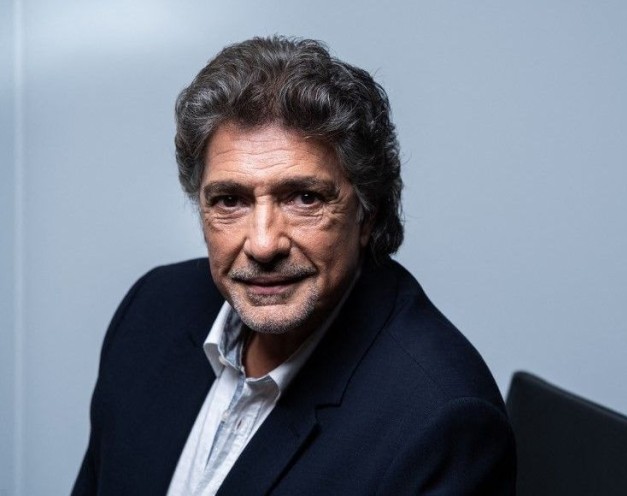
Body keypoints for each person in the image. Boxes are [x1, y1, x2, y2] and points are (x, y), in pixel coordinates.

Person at [72, 36, 515, 495]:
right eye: (230, 201)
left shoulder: (439, 420)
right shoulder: (151, 310)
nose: (264, 245)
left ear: (368, 213)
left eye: (305, 198)